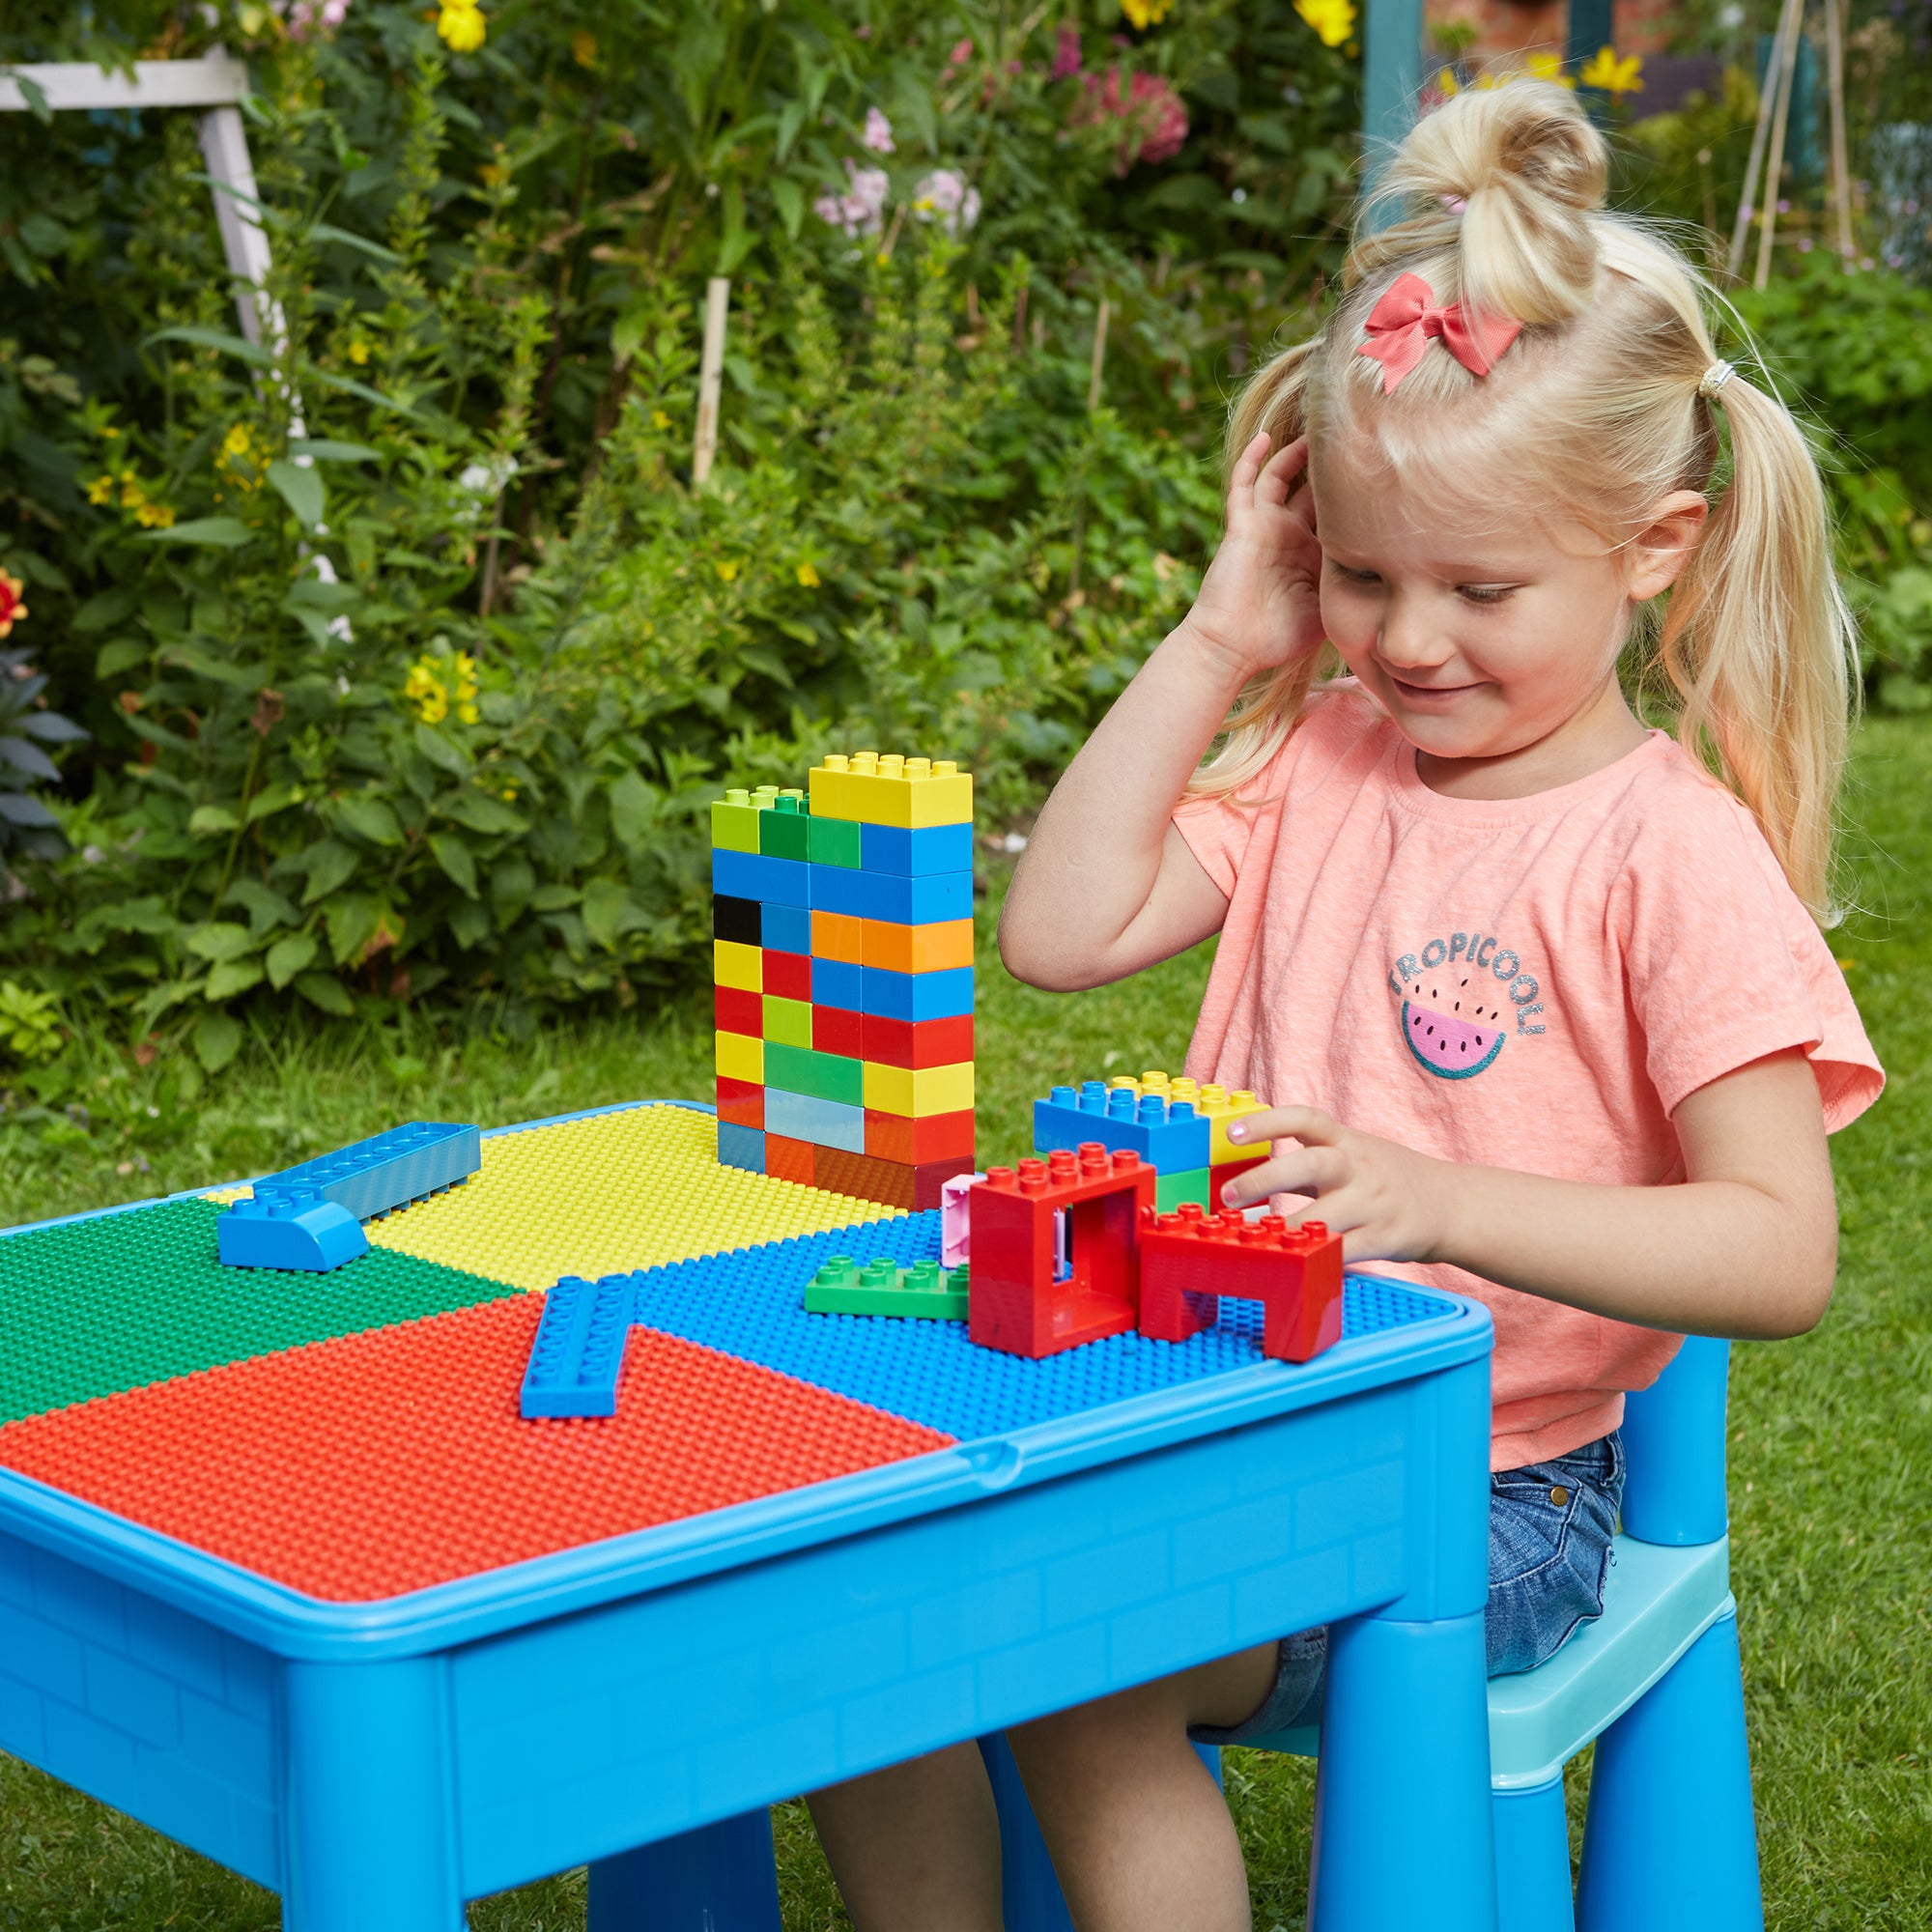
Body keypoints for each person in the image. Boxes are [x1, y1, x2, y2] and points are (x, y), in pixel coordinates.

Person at [806, 77, 1883, 1931]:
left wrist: (1443, 1201)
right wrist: (1230, 636)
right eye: (1362, 578)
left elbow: (1782, 1253)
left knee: (1080, 1670)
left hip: (1491, 1499)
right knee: (862, 1611)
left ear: (1655, 547)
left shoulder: (1665, 858)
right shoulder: (1324, 756)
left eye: (1479, 587)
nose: (1405, 641)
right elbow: (1060, 935)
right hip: (1199, 1413)